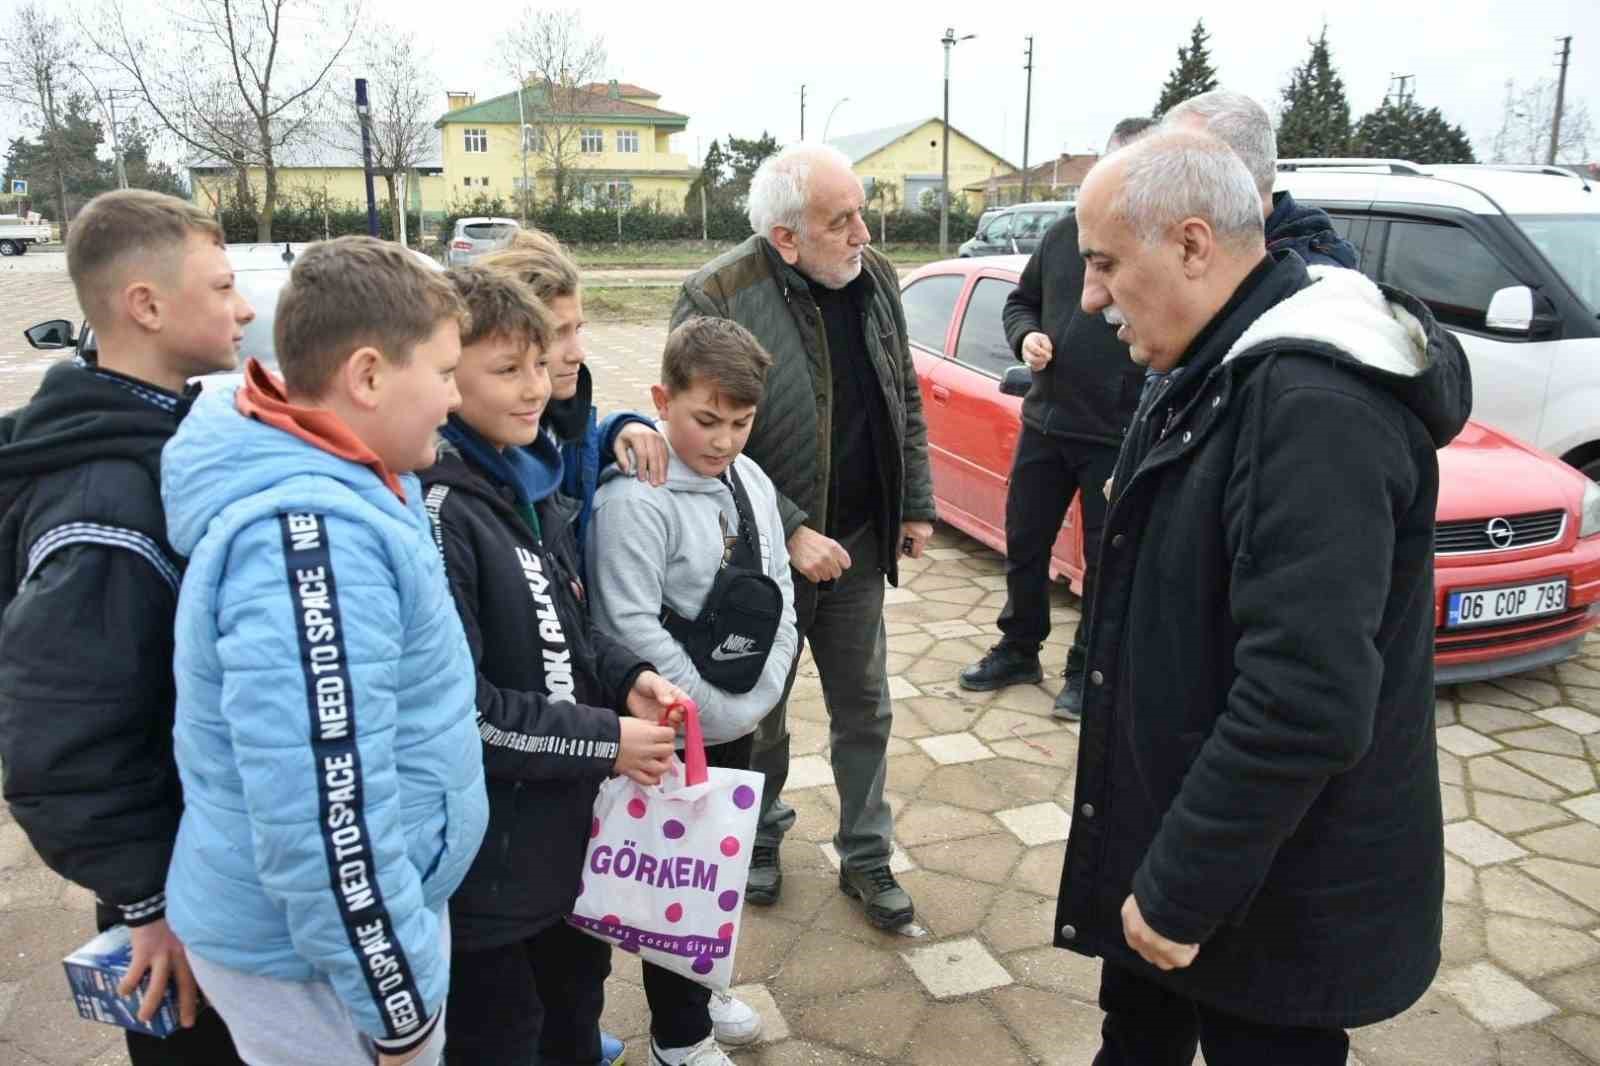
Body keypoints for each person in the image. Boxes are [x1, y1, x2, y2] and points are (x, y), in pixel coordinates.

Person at [1054, 130, 1467, 1063]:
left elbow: (1304, 698)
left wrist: (1178, 888)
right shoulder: (1209, 361)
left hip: (1266, 898)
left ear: (1194, 246)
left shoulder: (1309, 406)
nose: (1088, 296)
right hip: (1184, 848)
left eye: (1105, 262)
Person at [158, 236, 493, 1066]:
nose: (454, 402)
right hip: (317, 960)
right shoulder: (311, 542)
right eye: (445, 374)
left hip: (346, 938)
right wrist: (401, 1013)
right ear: (369, 375)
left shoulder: (356, 481)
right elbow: (326, 814)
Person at [0, 189, 250, 1065]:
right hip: (179, 913)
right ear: (145, 305)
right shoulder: (104, 499)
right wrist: (148, 902)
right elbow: (59, 742)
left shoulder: (167, 437)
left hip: (213, 876)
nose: (245, 308)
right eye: (221, 288)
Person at [418, 264, 683, 1066]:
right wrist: (606, 740)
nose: (538, 387)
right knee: (504, 1038)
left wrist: (628, 672)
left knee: (575, 1014)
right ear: (440, 374)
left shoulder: (526, 478)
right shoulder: (440, 507)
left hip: (565, 856)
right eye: (507, 370)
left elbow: (569, 626)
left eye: (543, 362)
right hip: (489, 883)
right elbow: (465, 714)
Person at [672, 143, 936, 928]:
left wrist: (915, 501)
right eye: (841, 220)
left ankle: (867, 856)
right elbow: (700, 443)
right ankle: (757, 838)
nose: (863, 232)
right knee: (760, 712)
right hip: (757, 562)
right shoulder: (716, 295)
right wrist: (787, 530)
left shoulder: (874, 277)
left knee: (865, 708)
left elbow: (903, 394)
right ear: (786, 237)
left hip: (855, 547)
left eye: (861, 211)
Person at [589, 316, 798, 1066]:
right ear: (661, 400)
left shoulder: (751, 479)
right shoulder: (633, 500)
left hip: (739, 714)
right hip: (669, 726)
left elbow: (779, 591)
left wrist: (762, 695)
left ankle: (704, 990)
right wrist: (708, 711)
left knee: (718, 865)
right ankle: (679, 1036)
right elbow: (626, 626)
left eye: (741, 423)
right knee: (668, 873)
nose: (723, 441)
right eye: (706, 420)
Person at [958, 117, 1154, 720]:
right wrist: (1028, 338)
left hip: (1115, 435)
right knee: (1024, 543)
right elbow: (1020, 302)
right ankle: (1020, 648)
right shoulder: (1065, 234)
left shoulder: (1154, 243)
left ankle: (1084, 669)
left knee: (1104, 560)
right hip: (1047, 422)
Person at [480, 230, 669, 560]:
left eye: (578, 329)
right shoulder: (488, 447)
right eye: (557, 334)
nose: (578, 353)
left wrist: (616, 430)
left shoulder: (566, 416)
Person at [1162, 89, 1359, 270]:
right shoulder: (1217, 255)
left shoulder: (1306, 295)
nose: (1160, 184)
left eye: (1176, 165)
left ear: (1228, 176)